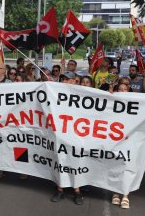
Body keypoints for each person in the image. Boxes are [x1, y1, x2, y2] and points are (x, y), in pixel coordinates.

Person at [51, 74, 84, 205]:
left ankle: (77, 191)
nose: (63, 81)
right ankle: (60, 189)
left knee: (75, 162)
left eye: (67, 79)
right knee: (60, 161)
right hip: (60, 134)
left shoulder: (81, 93)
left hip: (76, 135)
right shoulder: (56, 91)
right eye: (62, 78)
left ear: (74, 81)